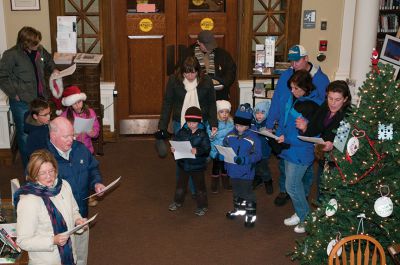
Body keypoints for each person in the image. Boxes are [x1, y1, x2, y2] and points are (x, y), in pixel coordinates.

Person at [266, 44, 330, 206]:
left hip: (305, 131)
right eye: (291, 62)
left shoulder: (320, 79)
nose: (293, 65)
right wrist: (269, 122)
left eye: (297, 61)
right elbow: (277, 99)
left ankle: (303, 194)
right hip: (284, 126)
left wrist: (312, 127)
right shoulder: (286, 75)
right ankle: (284, 190)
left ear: (306, 59)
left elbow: (323, 109)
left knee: (305, 166)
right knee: (284, 162)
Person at [46, 116, 105, 265]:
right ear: (53, 136)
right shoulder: (44, 159)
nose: (71, 139)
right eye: (66, 136)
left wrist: (96, 183)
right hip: (58, 224)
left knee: (81, 255)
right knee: (63, 258)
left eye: (72, 135)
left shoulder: (80, 149)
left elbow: (93, 168)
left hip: (82, 215)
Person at [156, 56, 217, 195]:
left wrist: (214, 123)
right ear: (181, 72)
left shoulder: (206, 81)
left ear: (198, 71)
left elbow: (212, 103)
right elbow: (167, 103)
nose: (190, 76)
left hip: (201, 123)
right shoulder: (174, 80)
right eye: (187, 73)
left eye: (193, 72)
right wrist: (162, 126)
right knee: (182, 157)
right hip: (180, 123)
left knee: (198, 157)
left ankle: (197, 189)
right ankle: (181, 188)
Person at [15, 149, 87, 264]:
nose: (49, 176)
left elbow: (73, 210)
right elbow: (23, 241)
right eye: (43, 173)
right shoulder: (29, 201)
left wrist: (78, 221)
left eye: (51, 171)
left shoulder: (63, 185)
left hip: (69, 256)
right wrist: (52, 240)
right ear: (34, 174)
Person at [0, 26, 59, 167]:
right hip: (22, 102)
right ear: (25, 43)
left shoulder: (39, 50)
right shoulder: (10, 55)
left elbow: (49, 60)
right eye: (35, 43)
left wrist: (54, 69)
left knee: (43, 131)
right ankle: (30, 169)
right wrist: (14, 94)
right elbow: (2, 76)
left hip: (40, 99)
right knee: (25, 134)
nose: (38, 45)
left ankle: (43, 165)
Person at [274, 70, 320, 233]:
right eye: (291, 88)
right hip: (289, 149)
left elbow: (307, 136)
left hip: (300, 152)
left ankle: (306, 217)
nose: (292, 91)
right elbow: (286, 122)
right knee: (295, 185)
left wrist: (285, 139)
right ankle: (301, 213)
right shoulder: (294, 99)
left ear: (305, 88)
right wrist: (280, 133)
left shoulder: (311, 106)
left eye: (296, 88)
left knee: (291, 186)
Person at [296, 80, 352, 201]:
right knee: (321, 187)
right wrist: (305, 128)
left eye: (337, 100)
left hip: (340, 163)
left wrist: (333, 146)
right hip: (324, 157)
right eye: (330, 98)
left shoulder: (348, 115)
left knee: (335, 194)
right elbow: (313, 128)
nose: (332, 103)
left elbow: (343, 143)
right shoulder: (325, 106)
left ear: (345, 99)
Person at [224, 104, 262, 228]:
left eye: (241, 125)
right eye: (236, 125)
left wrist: (245, 159)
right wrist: (221, 155)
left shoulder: (254, 138)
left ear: (248, 125)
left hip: (246, 172)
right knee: (236, 190)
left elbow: (258, 155)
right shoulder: (230, 135)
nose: (238, 127)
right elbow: (225, 147)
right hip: (232, 170)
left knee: (247, 193)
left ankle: (250, 215)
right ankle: (239, 209)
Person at [168, 107, 211, 216]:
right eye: (189, 122)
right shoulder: (182, 131)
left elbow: (207, 149)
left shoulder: (202, 134)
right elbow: (176, 141)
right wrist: (174, 148)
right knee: (180, 186)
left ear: (199, 122)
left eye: (194, 122)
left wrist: (198, 150)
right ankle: (177, 202)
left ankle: (202, 206)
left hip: (197, 165)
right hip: (184, 164)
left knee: (199, 188)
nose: (191, 124)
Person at [185, 30, 236, 100]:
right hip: (195, 95)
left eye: (211, 44)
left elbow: (231, 72)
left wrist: (219, 81)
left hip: (218, 95)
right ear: (198, 42)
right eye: (206, 45)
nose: (210, 48)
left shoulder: (223, 54)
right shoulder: (188, 54)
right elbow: (183, 73)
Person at [61, 86, 100, 154]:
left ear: (82, 100)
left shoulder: (90, 112)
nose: (77, 105)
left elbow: (96, 130)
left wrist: (92, 133)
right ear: (70, 104)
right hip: (72, 151)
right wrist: (72, 136)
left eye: (79, 101)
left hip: (87, 149)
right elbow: (61, 136)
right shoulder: (64, 116)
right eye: (74, 103)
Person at [207, 100, 234, 193]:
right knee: (215, 167)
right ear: (217, 113)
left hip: (226, 150)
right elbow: (210, 138)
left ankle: (226, 183)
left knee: (225, 167)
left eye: (227, 112)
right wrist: (213, 134)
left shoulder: (231, 122)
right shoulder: (213, 123)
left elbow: (233, 135)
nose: (225, 114)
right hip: (216, 151)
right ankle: (214, 185)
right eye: (222, 112)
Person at [251, 100, 273, 194]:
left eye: (262, 113)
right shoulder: (252, 123)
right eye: (257, 113)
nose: (259, 115)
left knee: (264, 168)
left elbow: (272, 138)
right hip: (253, 151)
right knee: (254, 166)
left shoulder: (268, 124)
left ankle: (268, 181)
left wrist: (268, 133)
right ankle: (258, 178)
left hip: (264, 151)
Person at [24, 98, 51, 164]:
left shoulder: (42, 123)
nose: (49, 117)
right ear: (35, 116)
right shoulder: (35, 135)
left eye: (49, 113)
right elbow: (32, 156)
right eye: (45, 115)